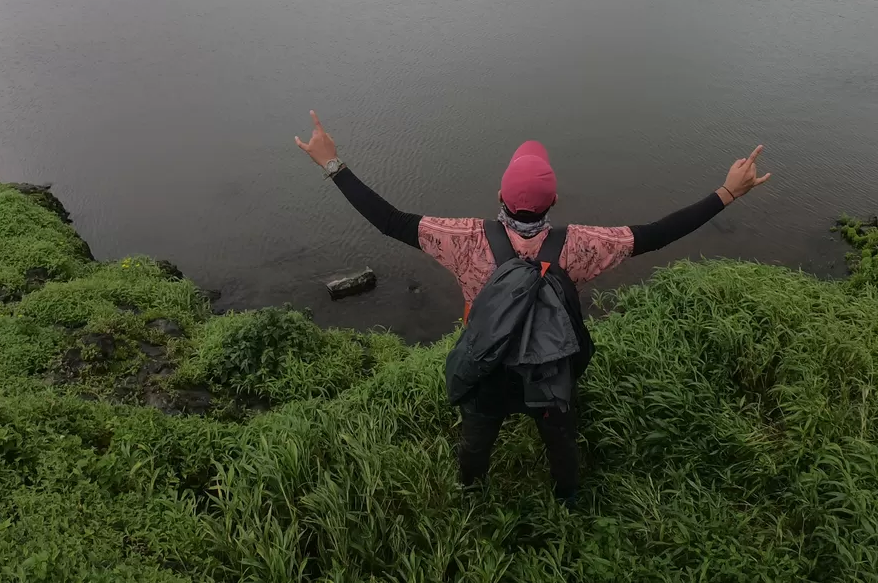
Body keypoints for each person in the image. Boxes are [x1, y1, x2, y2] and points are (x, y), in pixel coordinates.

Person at [294, 110, 770, 505]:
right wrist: (727, 192)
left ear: (500, 198)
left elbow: (390, 220)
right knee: (559, 436)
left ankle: (469, 492)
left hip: (487, 369)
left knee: (478, 434)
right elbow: (654, 234)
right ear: (554, 202)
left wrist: (332, 163)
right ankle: (567, 497)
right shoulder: (581, 245)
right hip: (550, 367)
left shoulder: (463, 239)